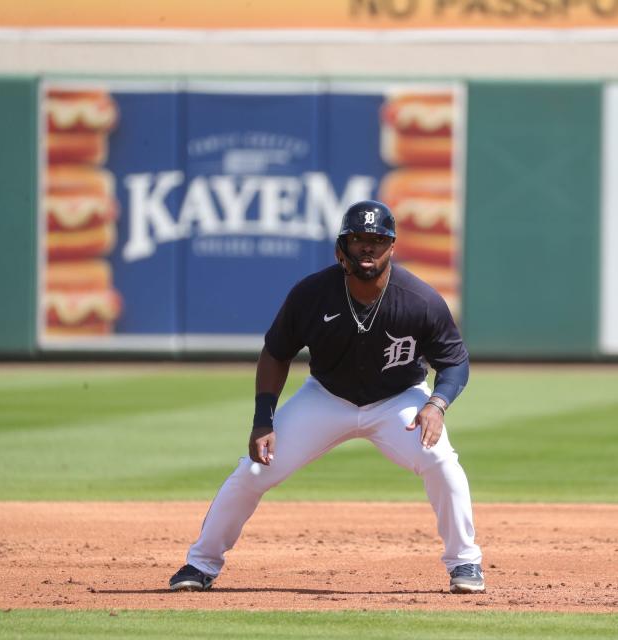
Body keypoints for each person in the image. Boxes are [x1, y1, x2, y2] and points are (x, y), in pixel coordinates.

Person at [169, 199, 485, 594]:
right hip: (326, 397)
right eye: (358, 239)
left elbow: (455, 361)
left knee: (440, 462)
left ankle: (466, 564)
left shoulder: (419, 300)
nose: (367, 248)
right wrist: (263, 420)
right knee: (253, 471)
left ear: (392, 247)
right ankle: (200, 564)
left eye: (377, 240)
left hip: (397, 399)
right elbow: (276, 352)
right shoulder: (312, 294)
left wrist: (436, 405)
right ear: (340, 249)